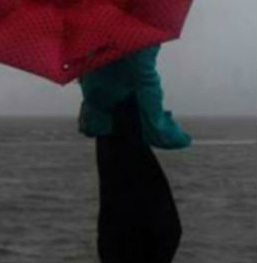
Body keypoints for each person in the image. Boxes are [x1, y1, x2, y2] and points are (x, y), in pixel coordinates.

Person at [77, 43, 192, 263]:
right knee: (161, 229)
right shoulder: (130, 35)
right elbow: (145, 78)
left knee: (118, 225)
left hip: (108, 132)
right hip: (127, 125)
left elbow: (92, 89)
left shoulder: (89, 36)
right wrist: (172, 134)